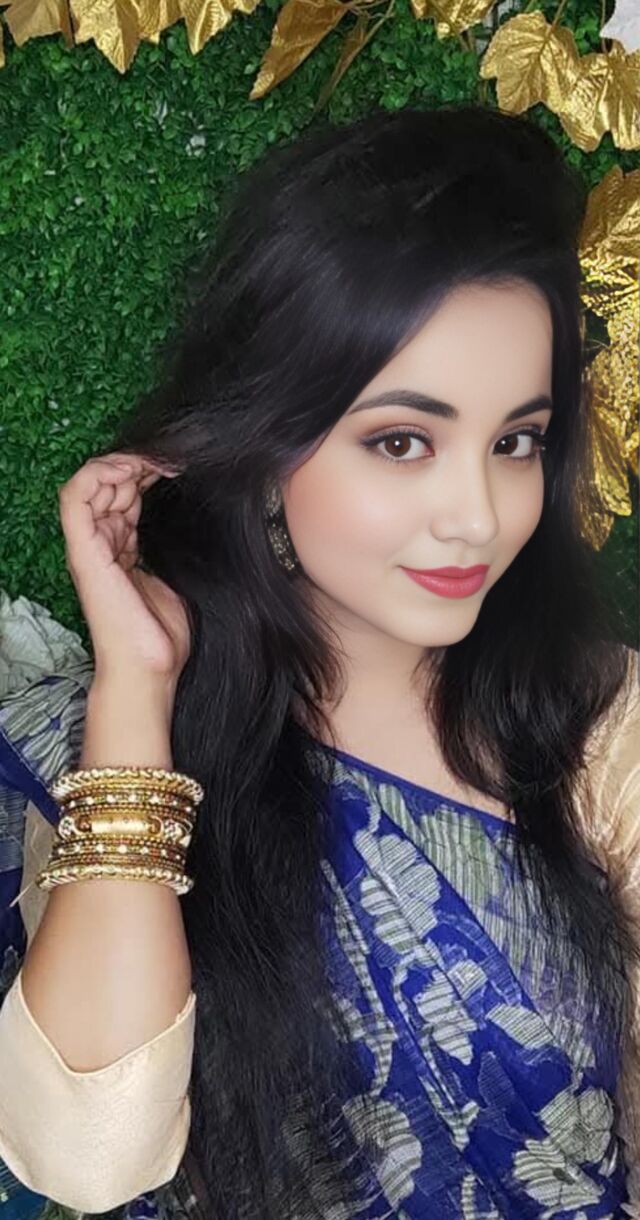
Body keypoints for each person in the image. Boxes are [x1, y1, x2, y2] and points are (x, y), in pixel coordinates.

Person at [0, 101, 639, 1220]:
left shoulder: (601, 729)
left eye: (515, 441)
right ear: (263, 447)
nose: (478, 515)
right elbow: (88, 1153)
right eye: (402, 441)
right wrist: (138, 689)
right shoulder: (120, 744)